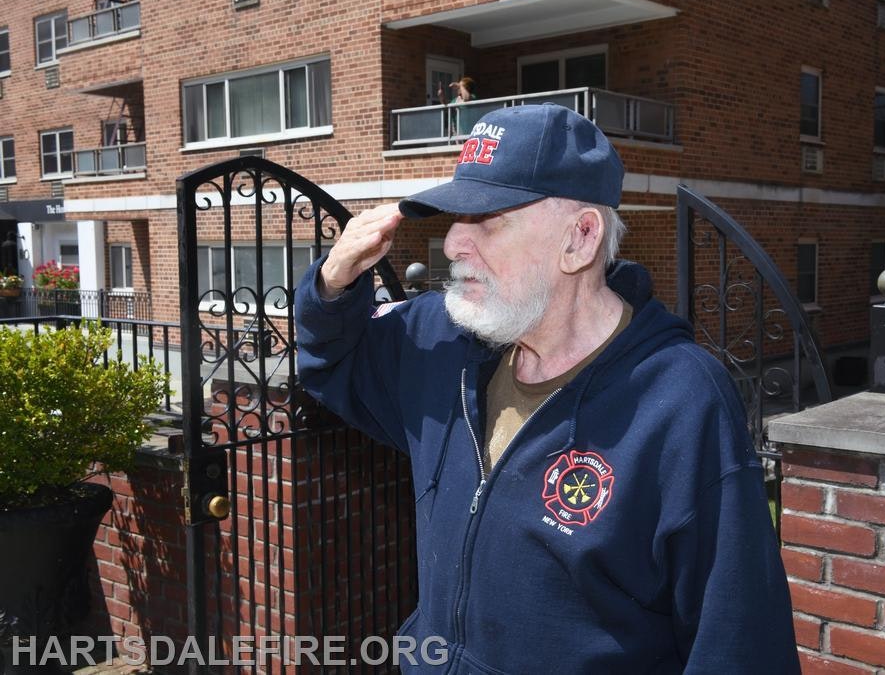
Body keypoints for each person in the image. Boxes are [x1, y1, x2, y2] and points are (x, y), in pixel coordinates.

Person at [296, 104, 799, 673]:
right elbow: (331, 364)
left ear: (581, 238)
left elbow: (736, 638)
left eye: (488, 220)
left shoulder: (683, 400)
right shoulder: (443, 341)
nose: (455, 242)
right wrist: (332, 284)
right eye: (455, 219)